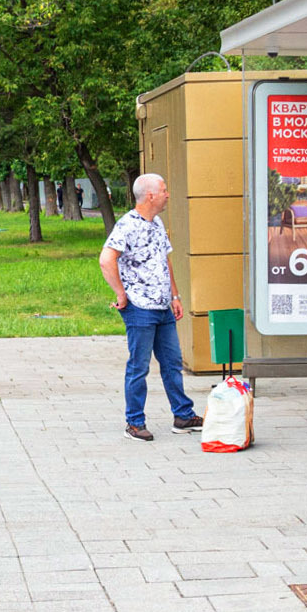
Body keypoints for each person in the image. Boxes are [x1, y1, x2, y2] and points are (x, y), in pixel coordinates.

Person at [99, 172, 202, 441]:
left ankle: (183, 415)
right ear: (151, 195)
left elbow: (164, 261)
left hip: (162, 308)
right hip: (140, 309)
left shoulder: (156, 223)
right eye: (164, 189)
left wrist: (175, 297)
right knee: (139, 366)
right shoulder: (127, 226)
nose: (168, 194)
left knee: (172, 363)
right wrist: (121, 294)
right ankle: (134, 423)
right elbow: (106, 259)